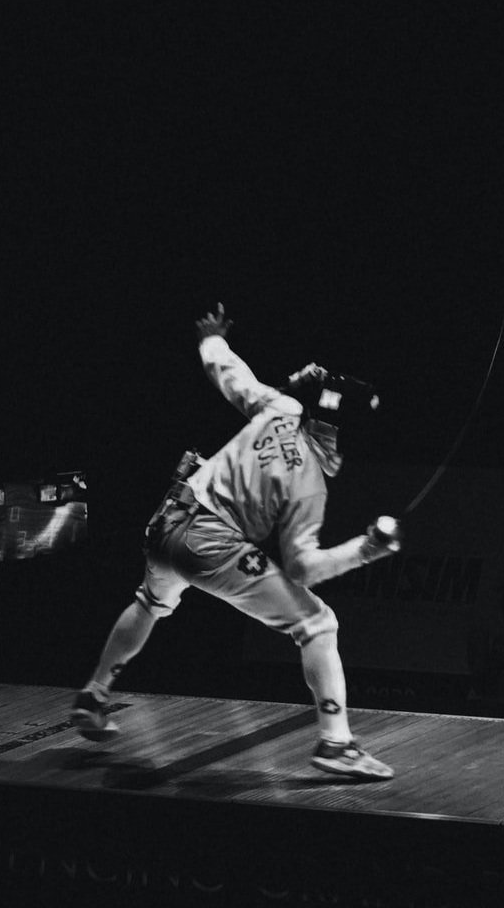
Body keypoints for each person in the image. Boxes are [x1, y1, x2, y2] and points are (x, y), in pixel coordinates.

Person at [72, 303, 405, 780]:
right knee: (318, 624)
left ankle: (95, 694)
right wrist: (367, 549)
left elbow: (229, 374)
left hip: (167, 517)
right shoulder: (308, 482)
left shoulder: (284, 408)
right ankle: (337, 743)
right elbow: (305, 570)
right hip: (209, 543)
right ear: (337, 438)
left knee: (150, 602)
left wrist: (213, 340)